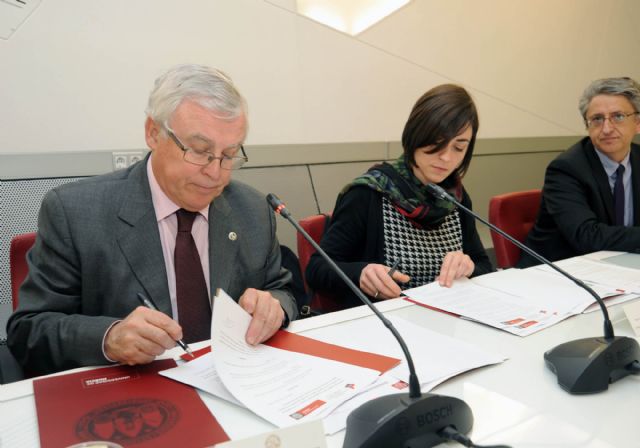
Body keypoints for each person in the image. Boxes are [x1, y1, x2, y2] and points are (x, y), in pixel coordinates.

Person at [7, 64, 297, 375]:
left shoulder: (251, 209)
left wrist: (275, 307)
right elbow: (29, 331)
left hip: (236, 382)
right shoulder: (75, 212)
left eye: (229, 155)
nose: (216, 173)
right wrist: (108, 339)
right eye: (199, 151)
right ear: (153, 133)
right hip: (135, 396)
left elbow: (282, 290)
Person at [305, 84, 493, 309]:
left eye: (458, 148)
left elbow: (484, 265)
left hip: (445, 320)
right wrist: (361, 273)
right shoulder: (370, 194)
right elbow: (317, 269)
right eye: (436, 143)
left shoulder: (455, 198)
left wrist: (469, 267)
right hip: (387, 328)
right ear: (415, 135)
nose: (446, 157)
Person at [519, 77, 640, 267]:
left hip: (619, 267)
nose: (607, 128)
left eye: (618, 116)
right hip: (559, 272)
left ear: (637, 123)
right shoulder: (566, 169)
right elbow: (587, 236)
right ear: (587, 125)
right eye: (597, 119)